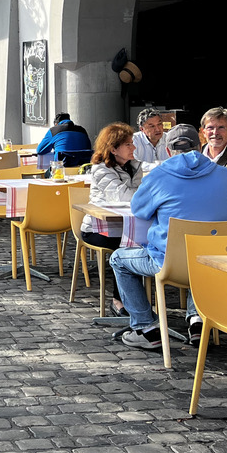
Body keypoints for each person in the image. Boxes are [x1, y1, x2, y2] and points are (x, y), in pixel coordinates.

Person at [111, 124, 227, 350]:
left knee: (118, 259)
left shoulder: (158, 176)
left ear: (167, 151)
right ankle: (196, 319)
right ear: (200, 146)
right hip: (218, 262)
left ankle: (145, 327)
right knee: (201, 246)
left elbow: (138, 209)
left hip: (171, 264)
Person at [80, 123, 144, 313]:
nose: (133, 148)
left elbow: (137, 196)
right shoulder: (101, 169)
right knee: (127, 246)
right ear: (114, 148)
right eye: (128, 145)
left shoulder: (135, 166)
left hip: (127, 224)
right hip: (96, 228)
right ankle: (119, 300)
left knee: (145, 242)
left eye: (132, 143)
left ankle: (139, 297)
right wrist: (142, 194)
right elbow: (123, 196)